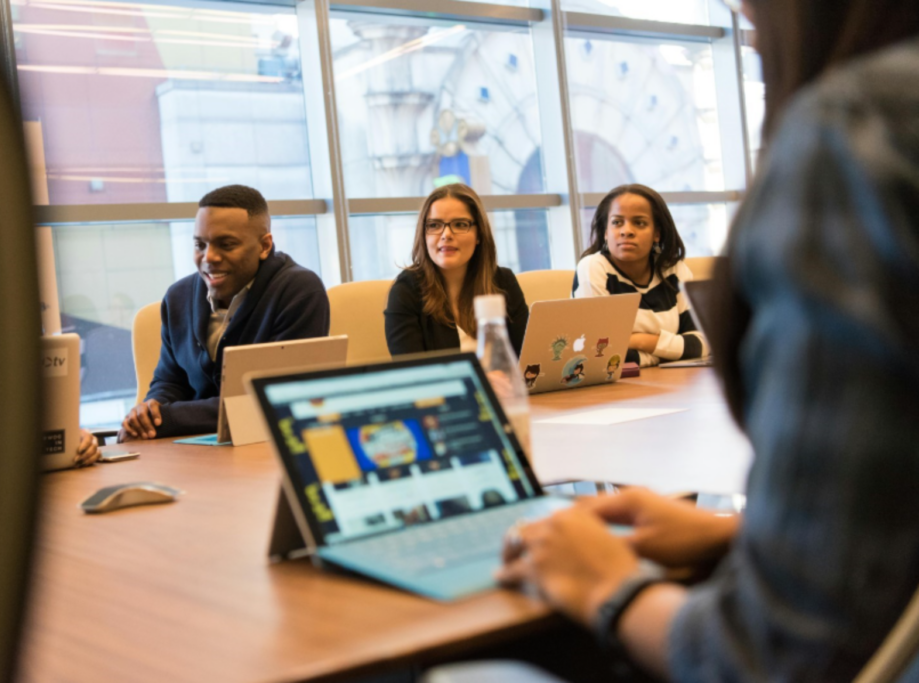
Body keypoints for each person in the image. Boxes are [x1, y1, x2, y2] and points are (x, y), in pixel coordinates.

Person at [498, 1, 919, 680]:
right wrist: (744, 533)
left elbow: (773, 652)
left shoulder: (854, 131)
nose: (745, 16)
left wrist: (608, 582)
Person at [119, 185, 329, 441]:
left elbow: (272, 400)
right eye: (199, 244)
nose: (209, 257)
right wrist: (149, 411)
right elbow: (170, 381)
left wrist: (168, 418)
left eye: (226, 244)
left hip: (266, 446)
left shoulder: (298, 290)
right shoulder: (178, 297)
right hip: (192, 448)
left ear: (264, 246)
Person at [385, 184, 528, 357]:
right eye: (434, 225)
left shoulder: (503, 282)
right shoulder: (406, 291)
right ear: (423, 234)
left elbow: (526, 360)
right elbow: (413, 377)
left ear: (479, 235)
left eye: (460, 224)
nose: (446, 234)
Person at [572, 184, 707, 367]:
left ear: (656, 234)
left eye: (639, 223)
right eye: (617, 222)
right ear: (605, 232)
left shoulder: (674, 270)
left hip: (672, 384)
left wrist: (641, 341)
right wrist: (665, 354)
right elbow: (599, 353)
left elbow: (703, 343)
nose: (626, 231)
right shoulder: (593, 268)